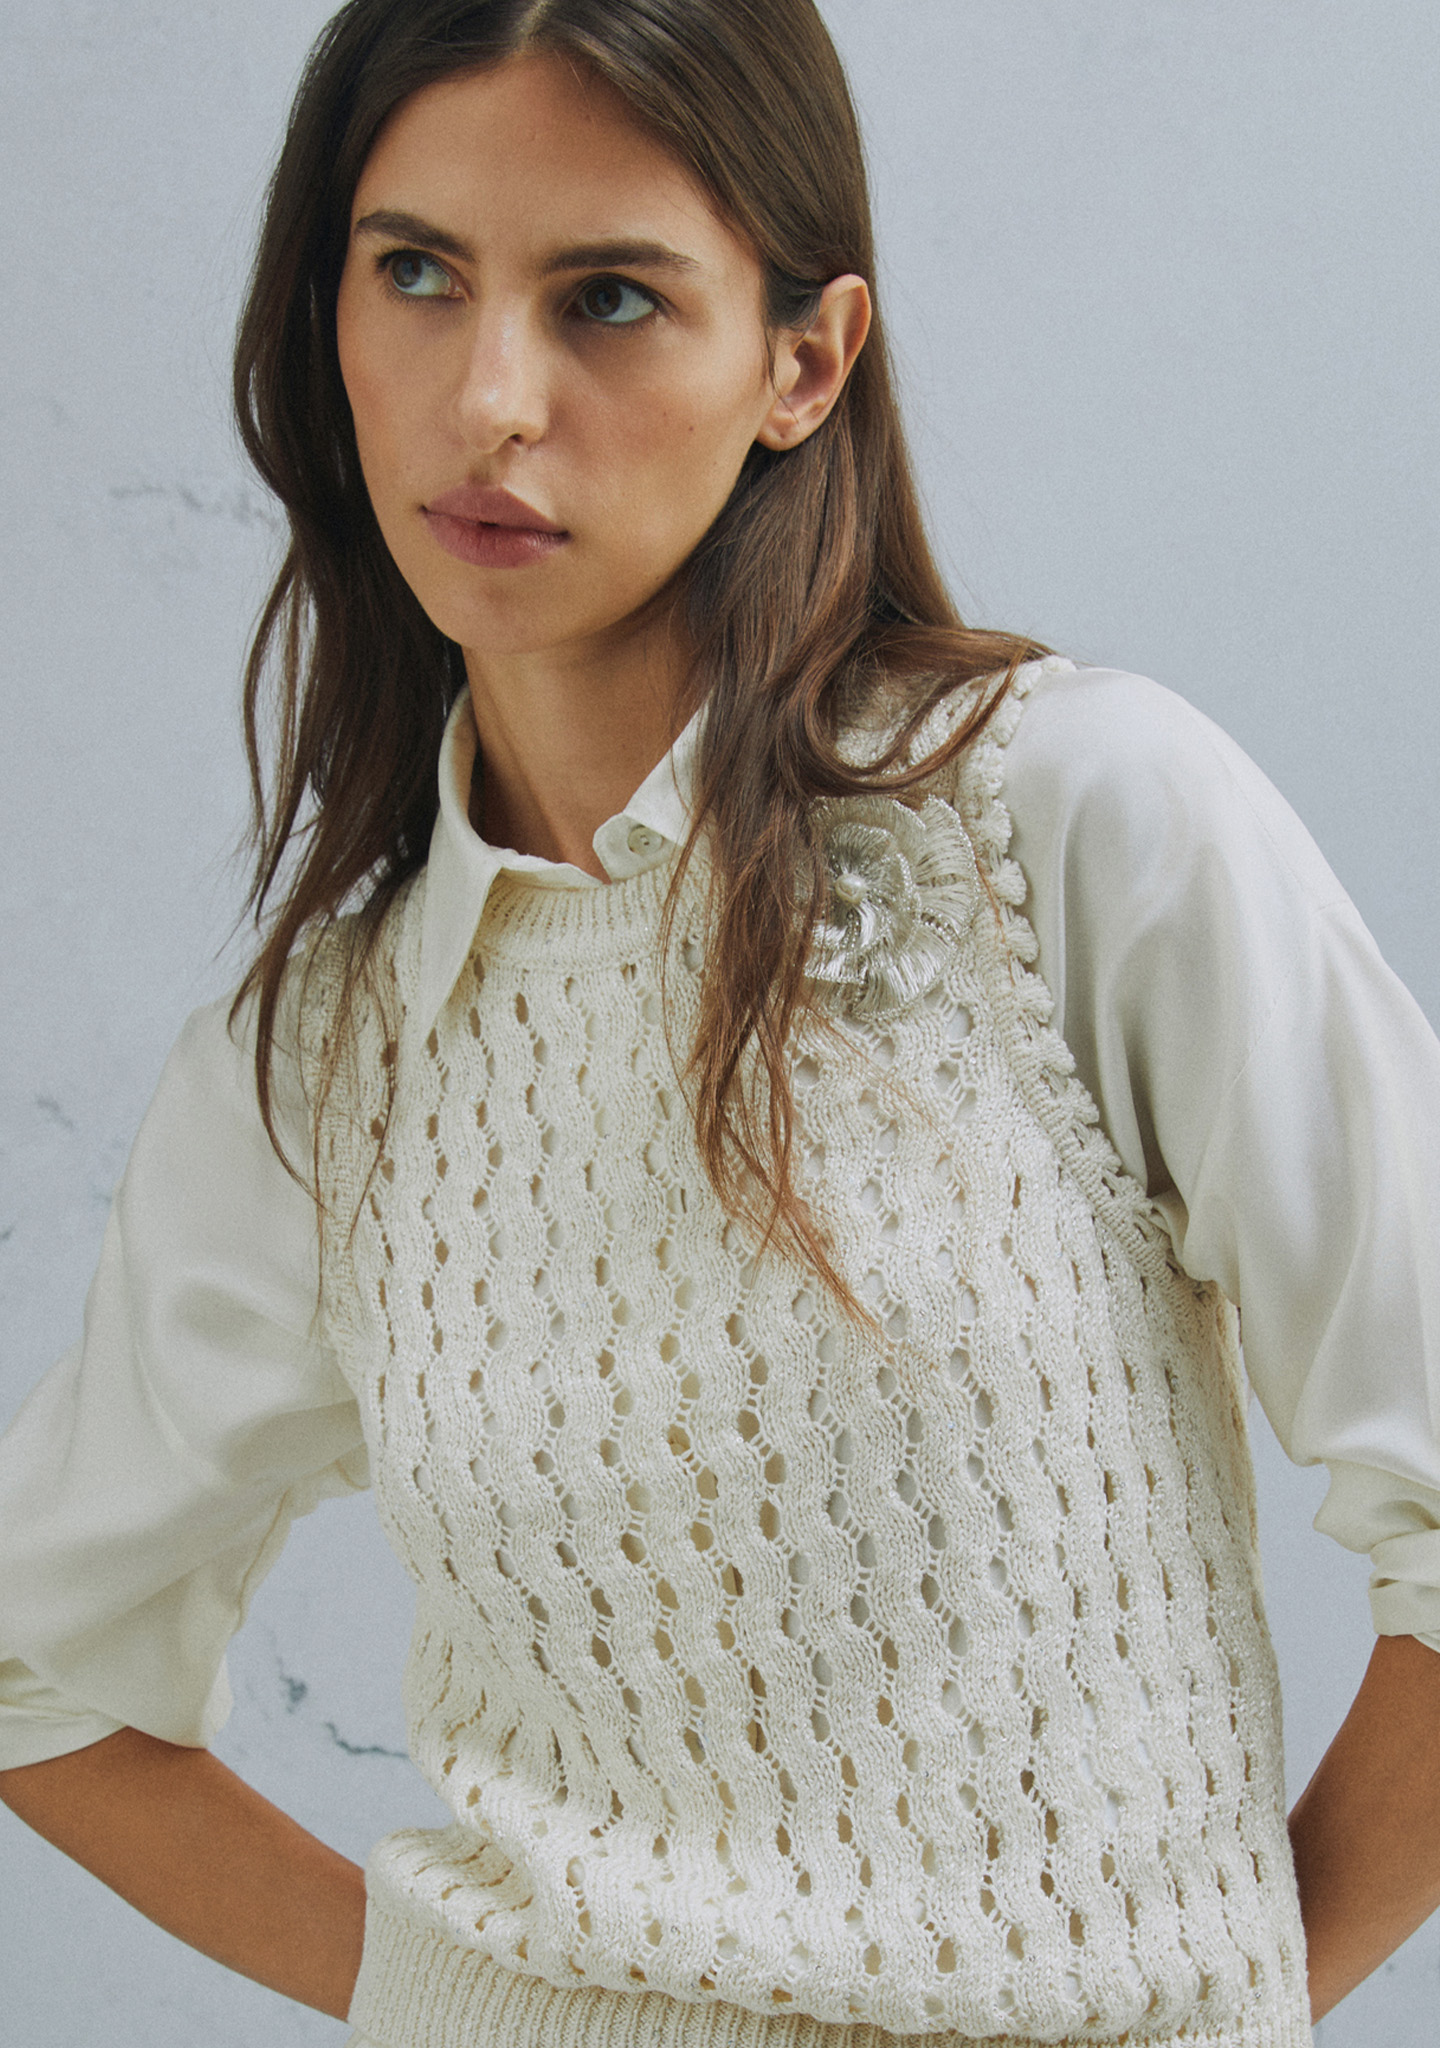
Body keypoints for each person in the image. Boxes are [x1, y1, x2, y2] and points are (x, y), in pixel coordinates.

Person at [2, 2, 1439, 2044]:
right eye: (415, 272)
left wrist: (1235, 2001)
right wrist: (449, 1999)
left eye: (608, 299)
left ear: (804, 361)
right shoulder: (329, 1055)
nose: (490, 400)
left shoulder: (1061, 825)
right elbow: (37, 1675)